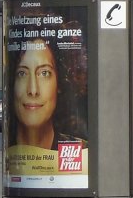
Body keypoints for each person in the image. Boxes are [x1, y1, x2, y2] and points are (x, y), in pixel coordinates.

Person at [6, 37, 84, 177]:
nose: (33, 90)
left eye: (44, 73)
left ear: (58, 83)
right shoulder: (9, 149)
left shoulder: (84, 150)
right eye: (22, 73)